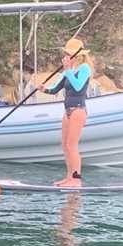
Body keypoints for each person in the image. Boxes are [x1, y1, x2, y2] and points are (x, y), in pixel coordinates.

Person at [39, 38, 93, 188]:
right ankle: (69, 177)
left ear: (77, 55)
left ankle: (76, 179)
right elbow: (56, 88)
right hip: (67, 111)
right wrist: (45, 89)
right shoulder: (70, 70)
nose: (66, 56)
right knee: (65, 145)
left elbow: (78, 86)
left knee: (72, 145)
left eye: (69, 53)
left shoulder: (84, 69)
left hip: (78, 110)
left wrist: (68, 70)